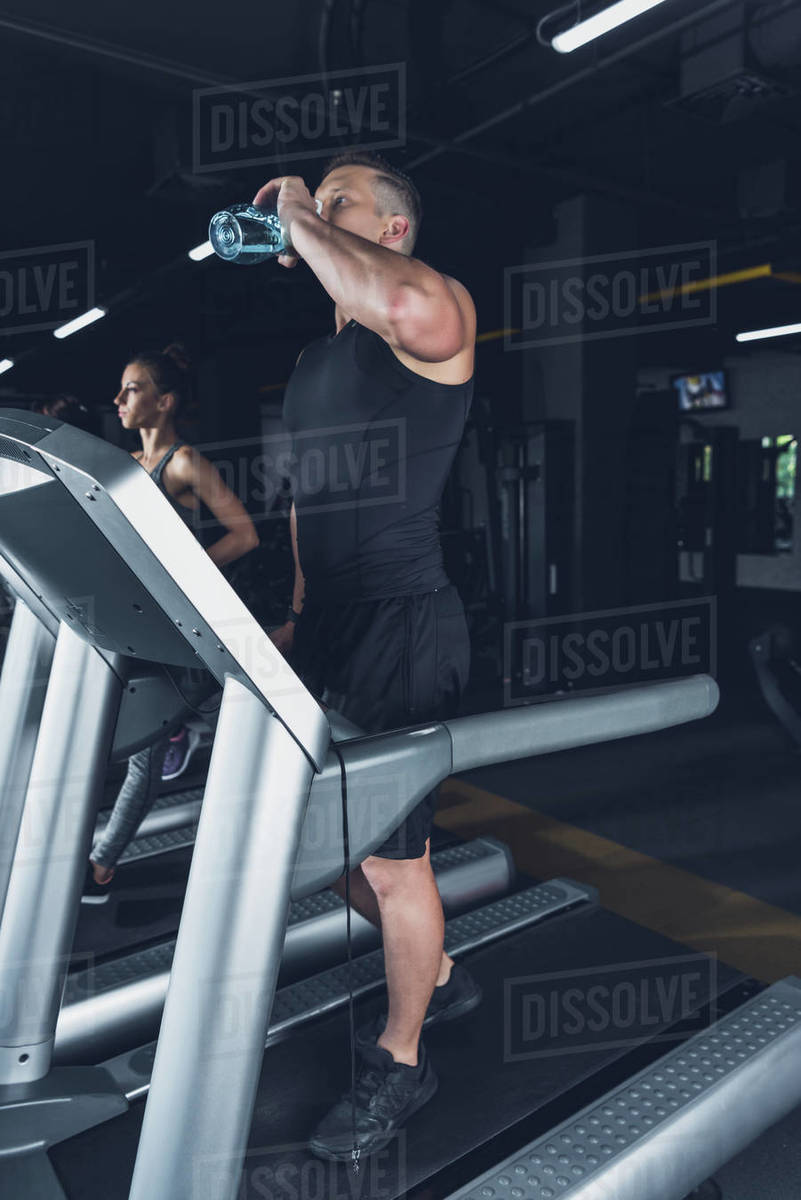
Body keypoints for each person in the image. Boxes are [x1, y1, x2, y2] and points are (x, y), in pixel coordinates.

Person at [258, 151, 479, 1161]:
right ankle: (430, 967)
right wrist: (299, 615)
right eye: (317, 195)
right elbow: (306, 501)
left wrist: (303, 214)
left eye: (340, 196)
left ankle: (401, 1061)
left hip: (405, 621)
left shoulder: (435, 310)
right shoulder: (312, 366)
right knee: (318, 846)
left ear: (390, 229)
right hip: (336, 625)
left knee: (393, 865)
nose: (316, 203)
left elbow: (387, 296)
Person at [88, 344, 258, 885]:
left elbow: (245, 533)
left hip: (175, 634)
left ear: (164, 402)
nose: (118, 399)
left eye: (132, 388)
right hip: (135, 627)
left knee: (144, 753)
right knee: (123, 739)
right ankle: (186, 728)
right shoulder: (125, 466)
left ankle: (101, 865)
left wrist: (185, 577)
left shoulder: (182, 462)